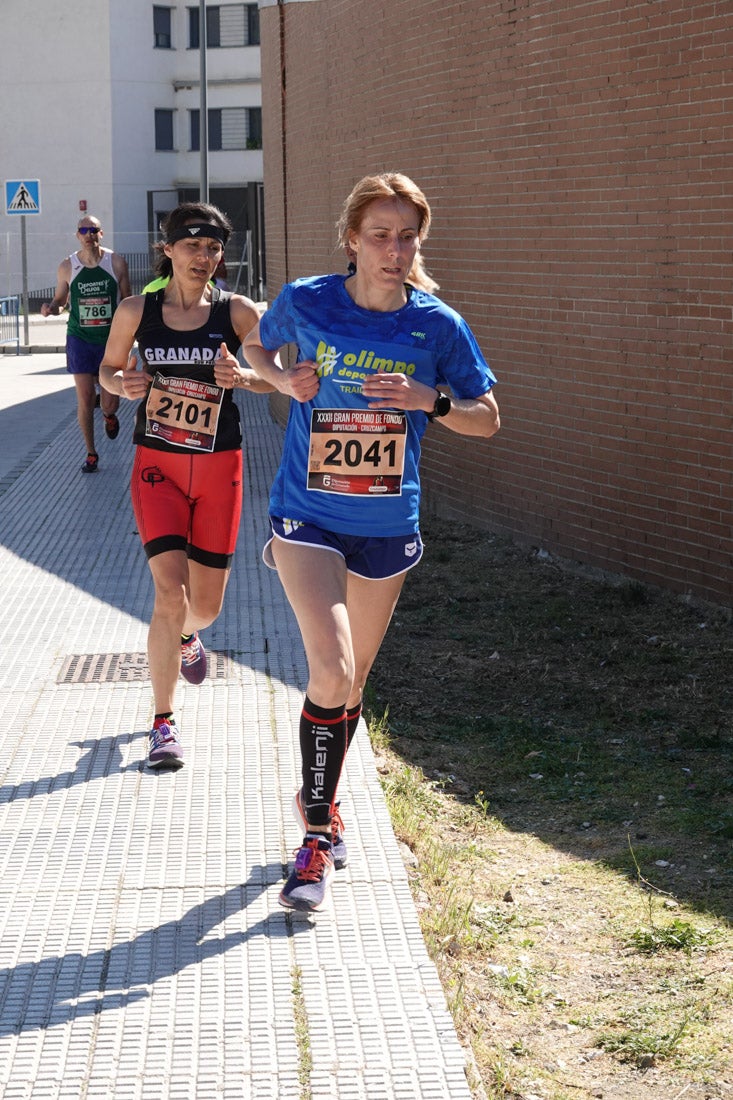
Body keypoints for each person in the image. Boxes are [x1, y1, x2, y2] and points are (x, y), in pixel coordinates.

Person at [243, 172, 500, 912]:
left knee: (350, 687)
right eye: (379, 235)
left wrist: (431, 400)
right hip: (306, 516)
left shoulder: (436, 325)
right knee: (332, 668)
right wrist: (279, 379)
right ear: (352, 239)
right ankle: (315, 841)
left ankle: (315, 796)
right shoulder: (308, 299)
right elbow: (258, 347)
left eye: (406, 236)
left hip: (386, 526)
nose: (393, 249)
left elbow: (486, 417)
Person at [99, 201, 272, 770]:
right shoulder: (135, 310)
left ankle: (188, 637)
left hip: (221, 468)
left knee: (207, 607)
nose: (205, 257)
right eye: (193, 246)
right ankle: (163, 722)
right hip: (158, 467)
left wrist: (242, 377)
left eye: (214, 248)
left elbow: (274, 377)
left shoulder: (236, 311)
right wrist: (123, 385)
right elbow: (107, 369)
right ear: (167, 249)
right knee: (168, 595)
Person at [41, 215, 131, 472]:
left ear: (101, 234)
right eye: (84, 230)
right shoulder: (67, 266)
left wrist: (132, 333)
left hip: (111, 340)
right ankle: (91, 453)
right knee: (85, 397)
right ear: (77, 235)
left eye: (94, 230)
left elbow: (128, 301)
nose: (89, 234)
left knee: (110, 402)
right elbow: (60, 300)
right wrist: (51, 308)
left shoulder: (116, 263)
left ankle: (109, 415)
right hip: (79, 338)